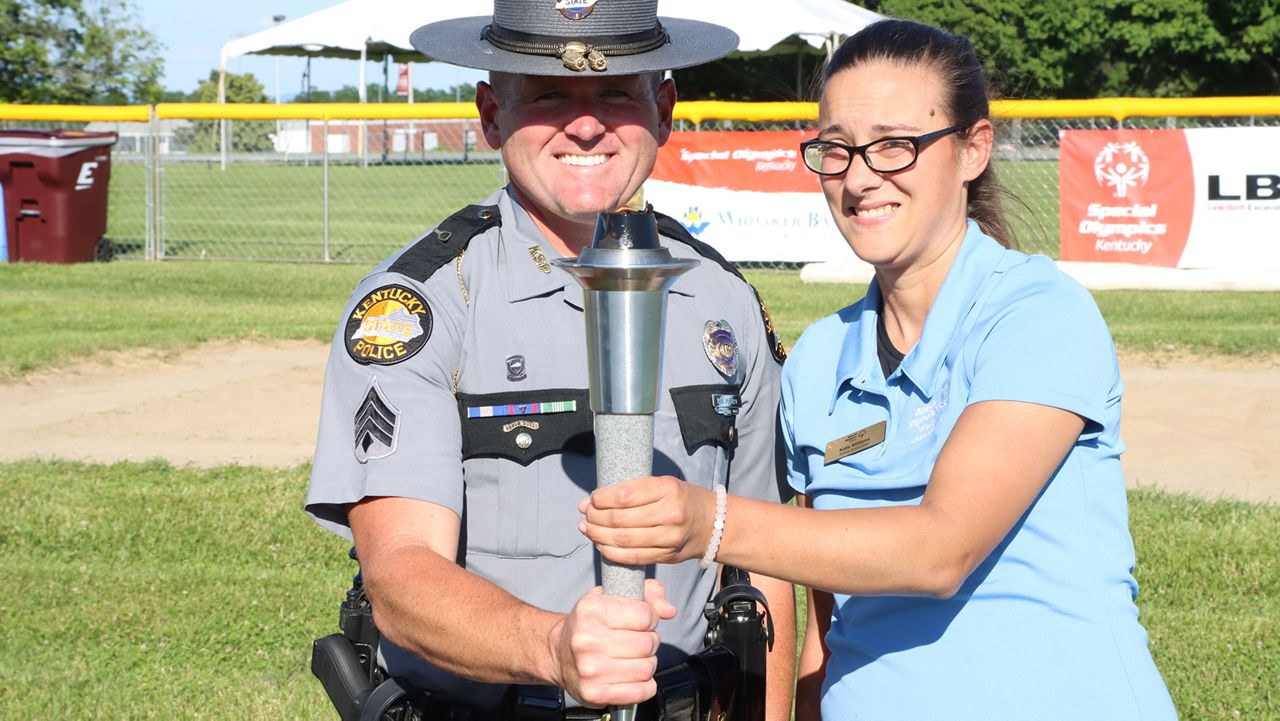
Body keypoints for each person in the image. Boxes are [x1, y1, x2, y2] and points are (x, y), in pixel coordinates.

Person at [580, 18, 1178, 721]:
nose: (860, 178)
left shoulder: (1037, 312)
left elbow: (940, 550)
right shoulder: (819, 359)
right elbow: (826, 628)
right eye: (836, 151)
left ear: (972, 149)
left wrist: (707, 522)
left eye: (895, 146)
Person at [304, 1, 795, 718]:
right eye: (548, 94)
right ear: (491, 115)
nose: (587, 123)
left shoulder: (723, 300)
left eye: (617, 92)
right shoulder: (422, 304)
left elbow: (766, 567)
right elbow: (401, 577)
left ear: (662, 106)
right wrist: (552, 645)